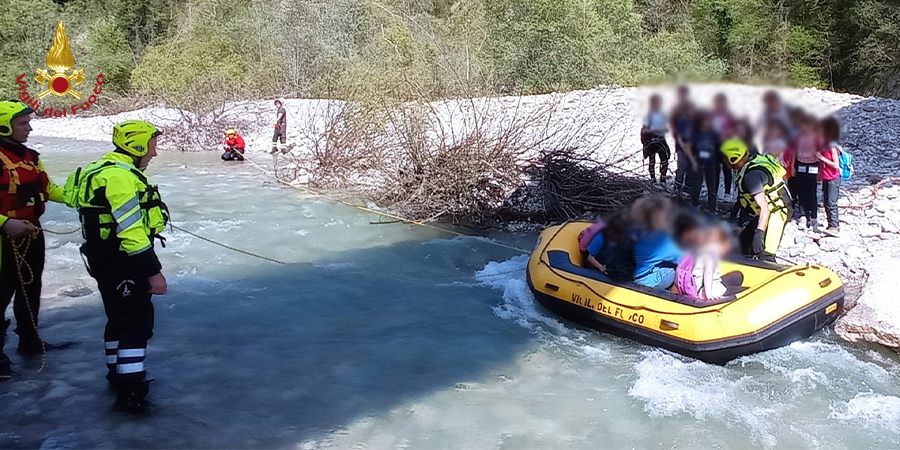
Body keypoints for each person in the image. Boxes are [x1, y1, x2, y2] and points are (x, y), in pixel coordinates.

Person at [63, 120, 169, 413]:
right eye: (152, 146)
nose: (154, 153)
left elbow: (70, 196)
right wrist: (153, 271)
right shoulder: (120, 177)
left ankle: (117, 374)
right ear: (136, 146)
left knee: (118, 318)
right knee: (136, 323)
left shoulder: (95, 170)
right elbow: (131, 230)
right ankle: (131, 392)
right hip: (124, 261)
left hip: (102, 259)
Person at [0, 100, 66, 378]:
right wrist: (5, 223)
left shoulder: (31, 156)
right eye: (23, 123)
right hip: (3, 237)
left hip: (30, 231)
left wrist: (88, 199)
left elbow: (50, 189)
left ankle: (29, 340)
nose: (29, 128)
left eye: (29, 122)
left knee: (30, 287)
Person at [721, 138, 792, 262]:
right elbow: (746, 196)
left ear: (733, 158)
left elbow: (765, 208)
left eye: (725, 159)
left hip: (776, 212)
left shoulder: (751, 176)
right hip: (764, 212)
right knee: (743, 244)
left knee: (765, 252)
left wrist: (760, 233)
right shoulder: (748, 164)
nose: (724, 163)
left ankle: (767, 264)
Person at [675, 224, 742, 301]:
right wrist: (709, 295)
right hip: (712, 291)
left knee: (738, 276)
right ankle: (710, 294)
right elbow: (708, 273)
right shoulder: (711, 254)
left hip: (694, 287)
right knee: (744, 291)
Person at [629, 196, 683, 289]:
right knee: (676, 268)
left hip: (631, 273)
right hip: (648, 281)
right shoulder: (659, 240)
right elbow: (682, 258)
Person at [793, 114, 824, 232]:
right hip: (800, 165)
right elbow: (794, 152)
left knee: (812, 193)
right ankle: (801, 215)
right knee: (801, 191)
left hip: (813, 166)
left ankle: (813, 216)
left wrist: (821, 172)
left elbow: (821, 155)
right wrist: (792, 166)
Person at [689, 111, 720, 212]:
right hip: (698, 161)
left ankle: (712, 208)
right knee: (697, 185)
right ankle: (693, 205)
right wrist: (693, 161)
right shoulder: (695, 133)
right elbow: (688, 146)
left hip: (711, 161)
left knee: (712, 186)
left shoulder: (713, 133)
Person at [819, 116, 842, 235]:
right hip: (826, 177)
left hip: (833, 177)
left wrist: (821, 158)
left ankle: (835, 226)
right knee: (826, 202)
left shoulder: (832, 146)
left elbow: (835, 164)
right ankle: (830, 225)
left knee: (832, 202)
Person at [641, 95, 670, 184]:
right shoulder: (648, 116)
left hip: (661, 139)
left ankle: (663, 178)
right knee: (652, 160)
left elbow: (666, 128)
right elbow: (644, 130)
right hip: (651, 140)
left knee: (664, 158)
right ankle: (652, 178)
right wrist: (654, 130)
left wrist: (662, 130)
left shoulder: (662, 115)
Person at [711, 93, 735, 201]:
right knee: (715, 170)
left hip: (726, 145)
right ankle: (714, 192)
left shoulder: (728, 116)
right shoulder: (712, 115)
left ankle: (727, 193)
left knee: (727, 169)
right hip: (715, 145)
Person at [670, 86, 694, 193]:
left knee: (690, 168)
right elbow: (674, 127)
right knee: (681, 168)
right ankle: (677, 188)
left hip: (692, 145)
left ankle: (688, 189)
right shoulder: (676, 109)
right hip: (681, 144)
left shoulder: (692, 108)